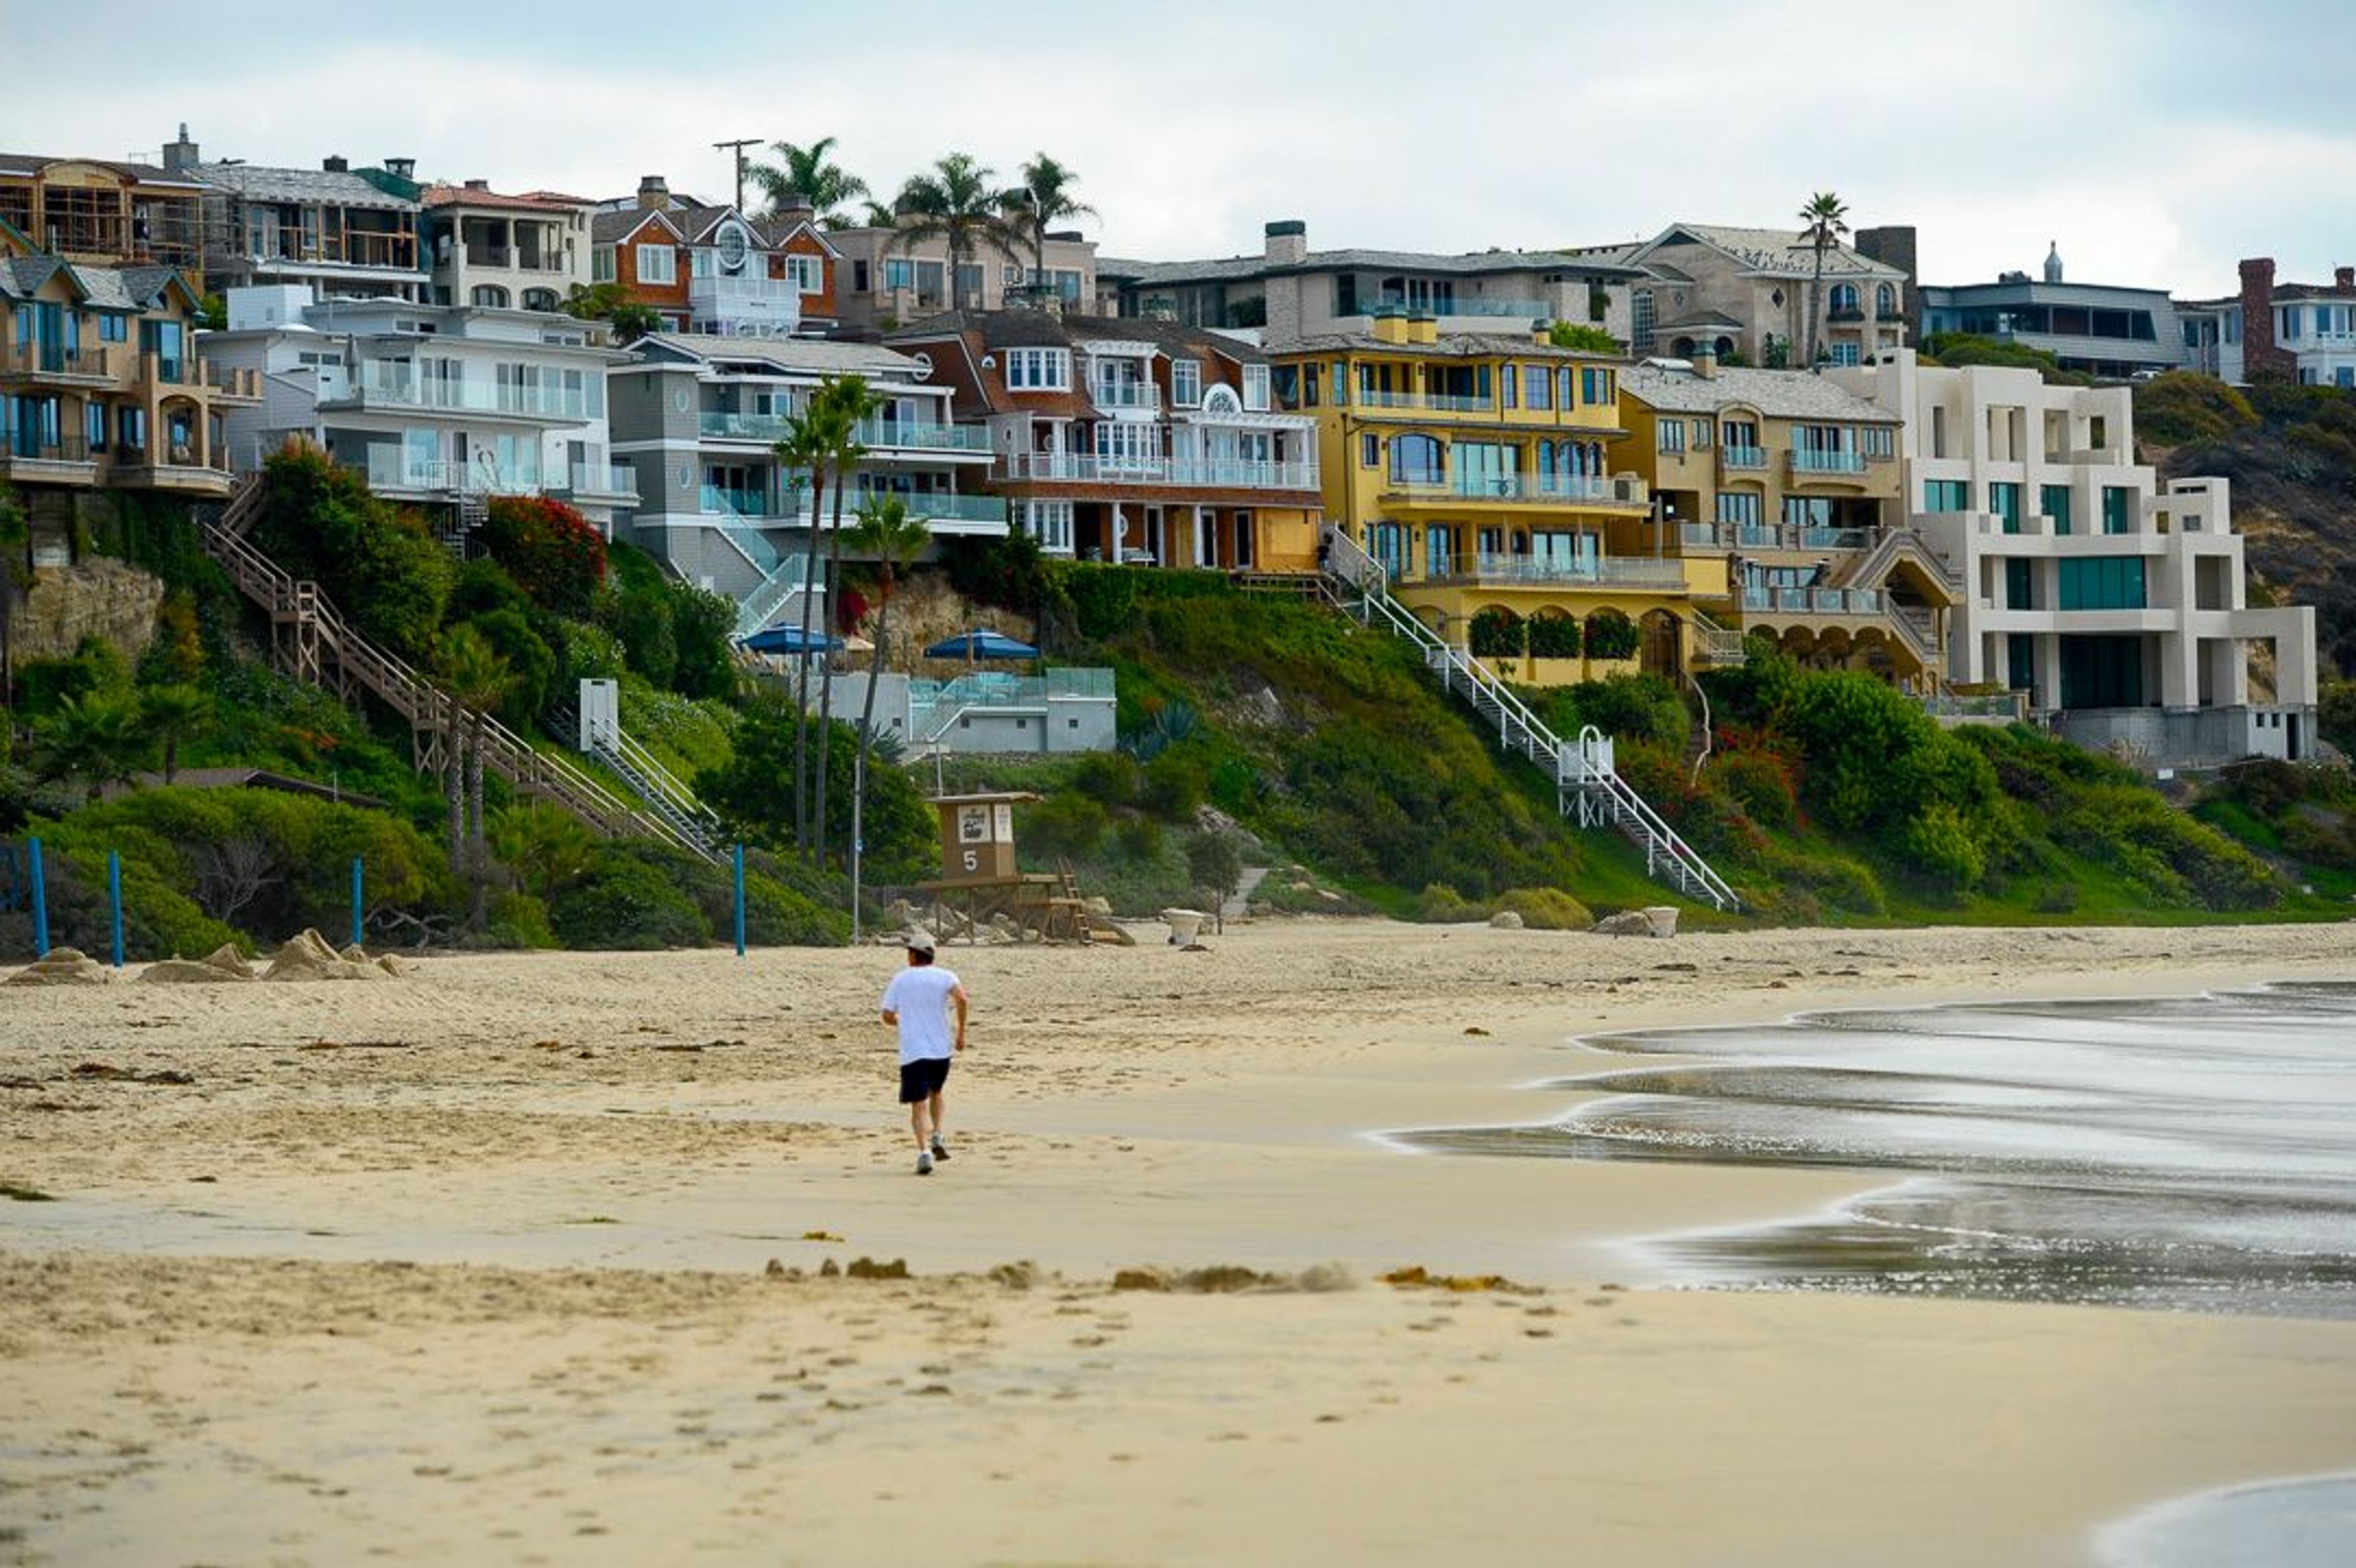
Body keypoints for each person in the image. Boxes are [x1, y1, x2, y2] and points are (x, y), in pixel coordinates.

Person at [879, 929, 968, 1175]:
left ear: (912, 955)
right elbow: (962, 1000)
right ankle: (938, 1134)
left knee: (918, 1104)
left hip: (914, 1051)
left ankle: (924, 1152)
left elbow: (886, 1015)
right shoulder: (945, 976)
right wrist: (961, 1033)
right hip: (941, 1050)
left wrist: (904, 1021)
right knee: (937, 1092)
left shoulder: (901, 979)